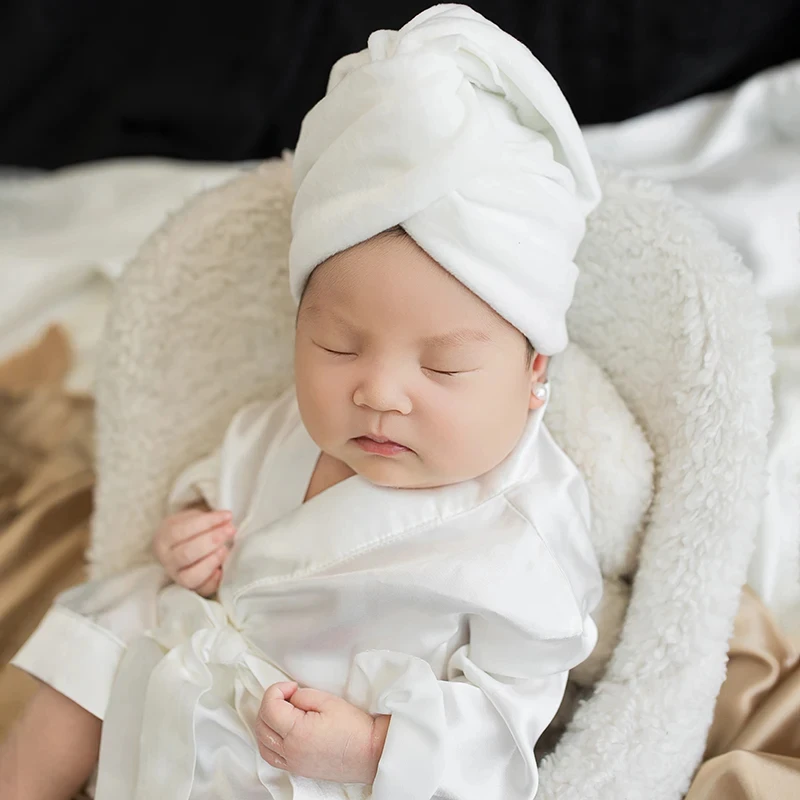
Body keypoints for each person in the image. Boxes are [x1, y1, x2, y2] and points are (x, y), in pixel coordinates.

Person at [0, 5, 603, 798]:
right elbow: (215, 494)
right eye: (338, 347)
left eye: (445, 368)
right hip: (195, 668)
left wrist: (369, 747)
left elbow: (508, 723)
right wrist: (186, 539)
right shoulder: (277, 429)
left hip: (309, 755)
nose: (378, 393)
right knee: (112, 628)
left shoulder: (524, 534)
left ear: (533, 375)